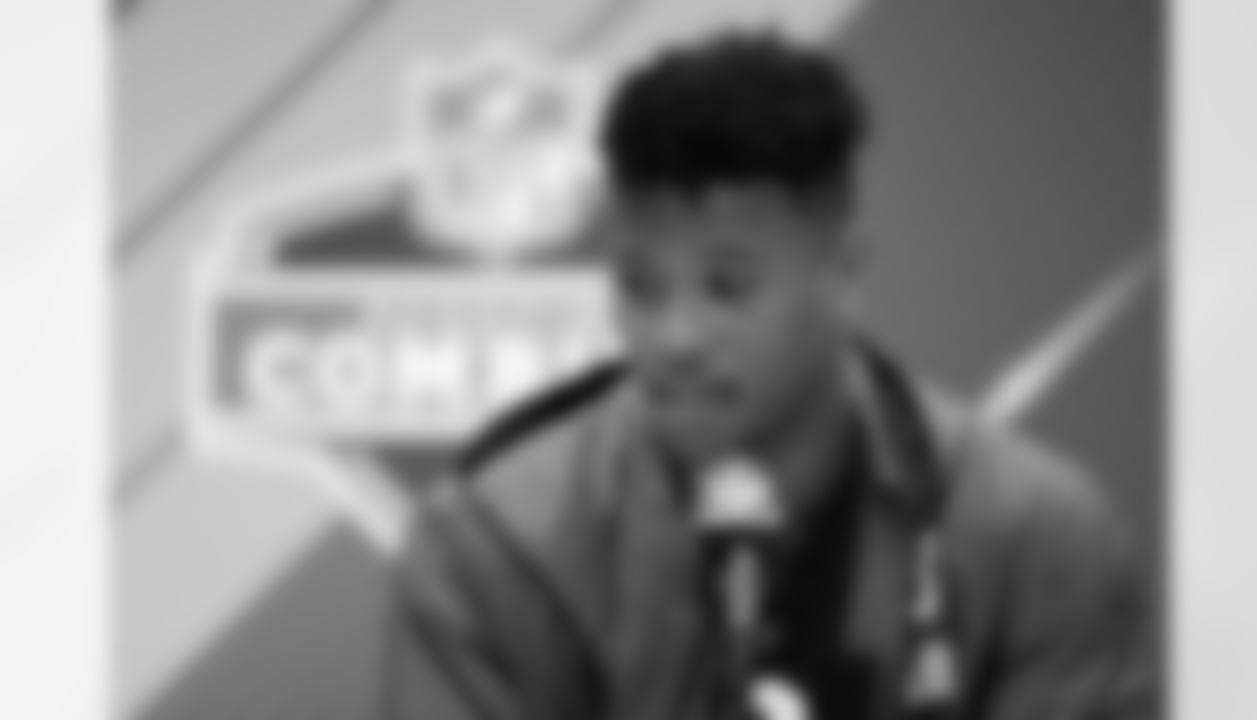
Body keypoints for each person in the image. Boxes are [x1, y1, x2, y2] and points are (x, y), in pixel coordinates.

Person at [380, 31, 1153, 720]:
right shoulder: (490, 549)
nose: (674, 338)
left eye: (727, 288)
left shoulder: (1035, 539)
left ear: (845, 274)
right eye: (641, 287)